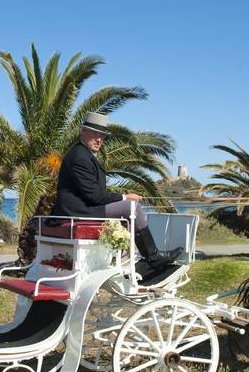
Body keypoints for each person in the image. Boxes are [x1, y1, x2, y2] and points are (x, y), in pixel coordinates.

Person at [50, 112, 182, 268]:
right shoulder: (80, 157)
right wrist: (125, 198)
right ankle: (153, 257)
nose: (99, 139)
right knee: (133, 207)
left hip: (81, 208)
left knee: (129, 211)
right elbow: (95, 196)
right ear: (83, 131)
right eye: (95, 134)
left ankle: (131, 257)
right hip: (79, 211)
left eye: (102, 136)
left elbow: (92, 192)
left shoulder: (82, 153)